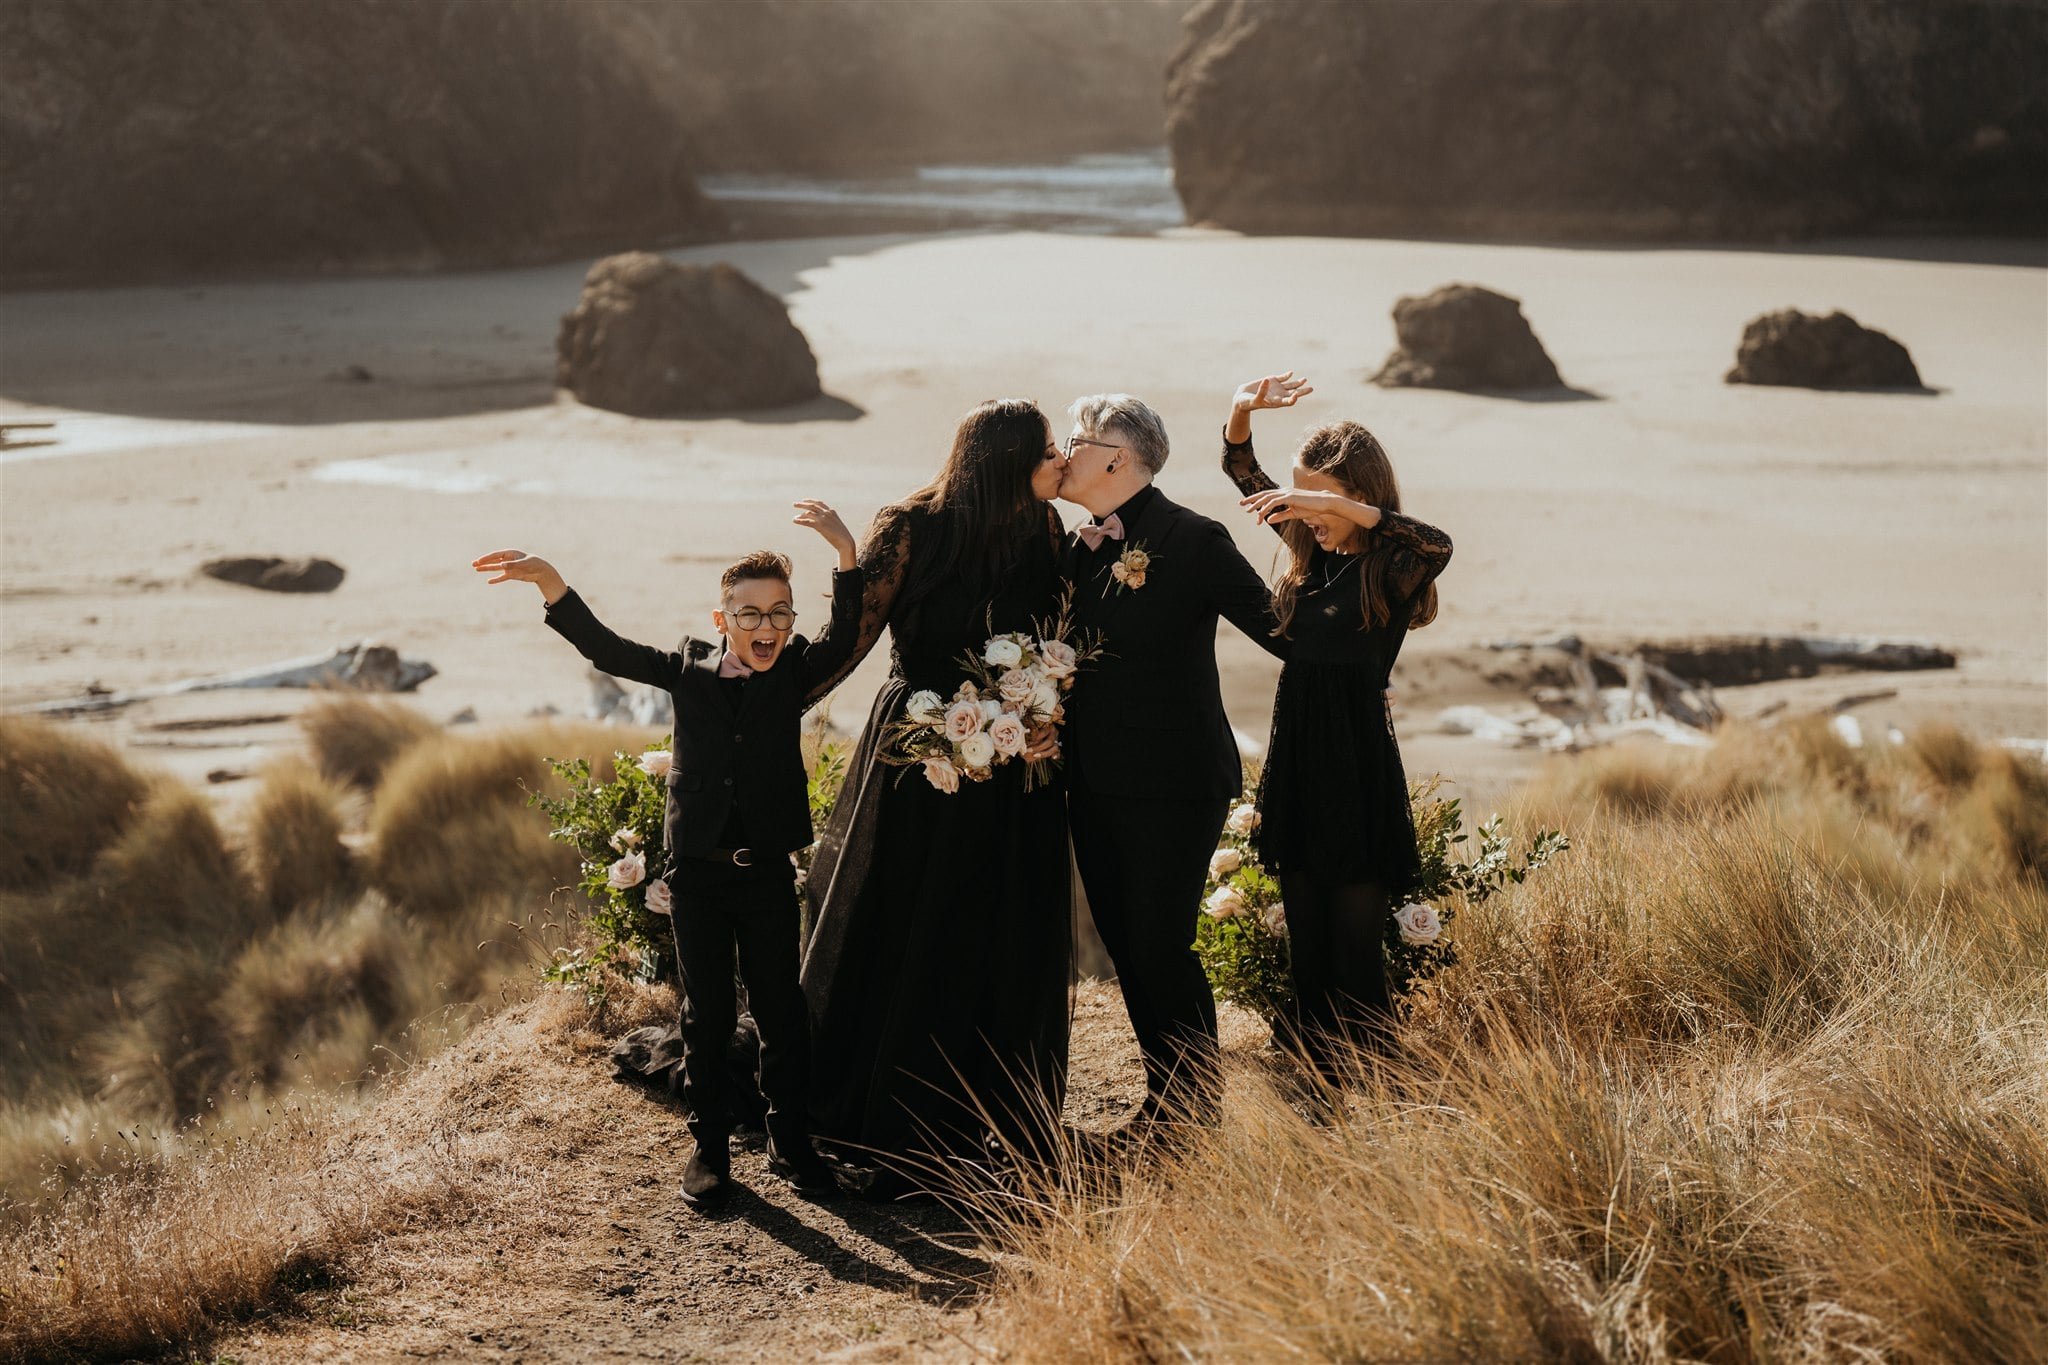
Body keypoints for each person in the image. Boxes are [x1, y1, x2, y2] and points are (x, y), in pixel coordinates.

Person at [470, 499, 861, 1209]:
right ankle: (711, 1151)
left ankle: (789, 1141)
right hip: (698, 882)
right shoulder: (686, 672)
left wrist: (846, 556)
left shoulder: (794, 671)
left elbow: (846, 636)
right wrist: (553, 584)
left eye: (780, 612)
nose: (765, 626)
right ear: (722, 622)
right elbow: (609, 651)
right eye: (749, 613)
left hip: (768, 874)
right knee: (705, 1016)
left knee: (780, 1008)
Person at [800, 399, 1073, 1189]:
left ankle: (989, 1115)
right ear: (1007, 457)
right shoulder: (911, 524)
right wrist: (754, 707)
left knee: (993, 930)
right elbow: (849, 642)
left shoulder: (1043, 530)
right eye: (1049, 448)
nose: (1060, 459)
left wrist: (1049, 718)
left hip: (1010, 766)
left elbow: (1056, 641)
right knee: (903, 919)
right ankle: (886, 1110)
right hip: (916, 754)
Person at [1056, 393, 1289, 1130]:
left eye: (1077, 440)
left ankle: (1195, 1111)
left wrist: (1357, 663)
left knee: (1162, 942)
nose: (1064, 452)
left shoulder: (1193, 539)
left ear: (1118, 457)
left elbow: (1281, 631)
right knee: (1127, 945)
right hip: (1092, 784)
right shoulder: (1074, 549)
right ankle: (1168, 1097)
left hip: (1176, 784)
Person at [1221, 372, 1453, 1084]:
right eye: (1300, 497)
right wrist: (1239, 411)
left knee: (1356, 945)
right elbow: (1239, 469)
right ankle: (1314, 1084)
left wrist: (1335, 502)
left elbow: (1438, 542)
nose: (1304, 512)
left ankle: (1374, 1081)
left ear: (1356, 496)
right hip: (1298, 754)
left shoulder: (1393, 567)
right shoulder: (1311, 553)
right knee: (1308, 938)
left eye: (1320, 499)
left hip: (1355, 760)